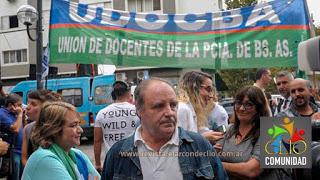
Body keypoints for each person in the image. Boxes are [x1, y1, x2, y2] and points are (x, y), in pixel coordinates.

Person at [101, 78, 227, 180]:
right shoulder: (117, 154)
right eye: (159, 106)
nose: (169, 113)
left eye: (173, 105)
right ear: (139, 110)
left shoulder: (200, 146)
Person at [22, 101, 100, 180]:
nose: (81, 130)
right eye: (73, 125)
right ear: (54, 130)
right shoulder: (45, 158)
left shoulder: (78, 155)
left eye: (78, 124)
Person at [215, 86, 276, 179]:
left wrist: (215, 163)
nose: (242, 108)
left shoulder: (271, 132)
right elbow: (213, 154)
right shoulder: (229, 129)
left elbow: (251, 170)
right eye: (238, 103)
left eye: (248, 104)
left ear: (259, 108)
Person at [276, 78, 320, 179]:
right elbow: (277, 153)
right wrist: (311, 125)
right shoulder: (282, 117)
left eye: (300, 90)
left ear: (310, 91)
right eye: (293, 91)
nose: (297, 94)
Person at [94, 81, 139, 172]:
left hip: (112, 160)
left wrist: (98, 164)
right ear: (128, 93)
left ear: (113, 95)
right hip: (134, 159)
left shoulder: (101, 113)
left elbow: (97, 141)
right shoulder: (137, 111)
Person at [177, 71, 224, 144]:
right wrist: (203, 137)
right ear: (193, 88)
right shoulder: (183, 109)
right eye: (208, 90)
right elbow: (178, 143)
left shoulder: (194, 111)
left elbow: (202, 132)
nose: (211, 95)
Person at [21, 90, 62, 167]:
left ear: (46, 107)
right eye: (28, 103)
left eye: (33, 104)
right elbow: (24, 158)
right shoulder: (28, 128)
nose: (28, 107)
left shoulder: (58, 127)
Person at [0, 93, 23, 179]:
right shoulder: (2, 114)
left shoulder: (14, 112)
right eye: (19, 105)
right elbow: (16, 129)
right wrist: (20, 114)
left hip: (19, 151)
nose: (21, 107)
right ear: (10, 105)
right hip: (12, 152)